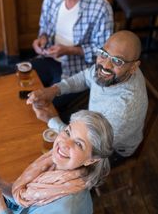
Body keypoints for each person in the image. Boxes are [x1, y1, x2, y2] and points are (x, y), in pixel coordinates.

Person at [27, 30, 148, 164]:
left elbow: (86, 149)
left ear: (133, 67)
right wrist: (54, 90)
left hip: (109, 151)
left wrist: (50, 119)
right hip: (92, 125)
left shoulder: (124, 110)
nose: (106, 65)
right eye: (103, 54)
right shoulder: (114, 70)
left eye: (117, 61)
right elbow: (86, 77)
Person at [32, 0, 113, 90]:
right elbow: (44, 28)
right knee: (18, 82)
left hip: (78, 72)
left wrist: (69, 50)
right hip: (49, 60)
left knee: (45, 102)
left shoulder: (101, 7)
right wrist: (42, 39)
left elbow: (104, 54)